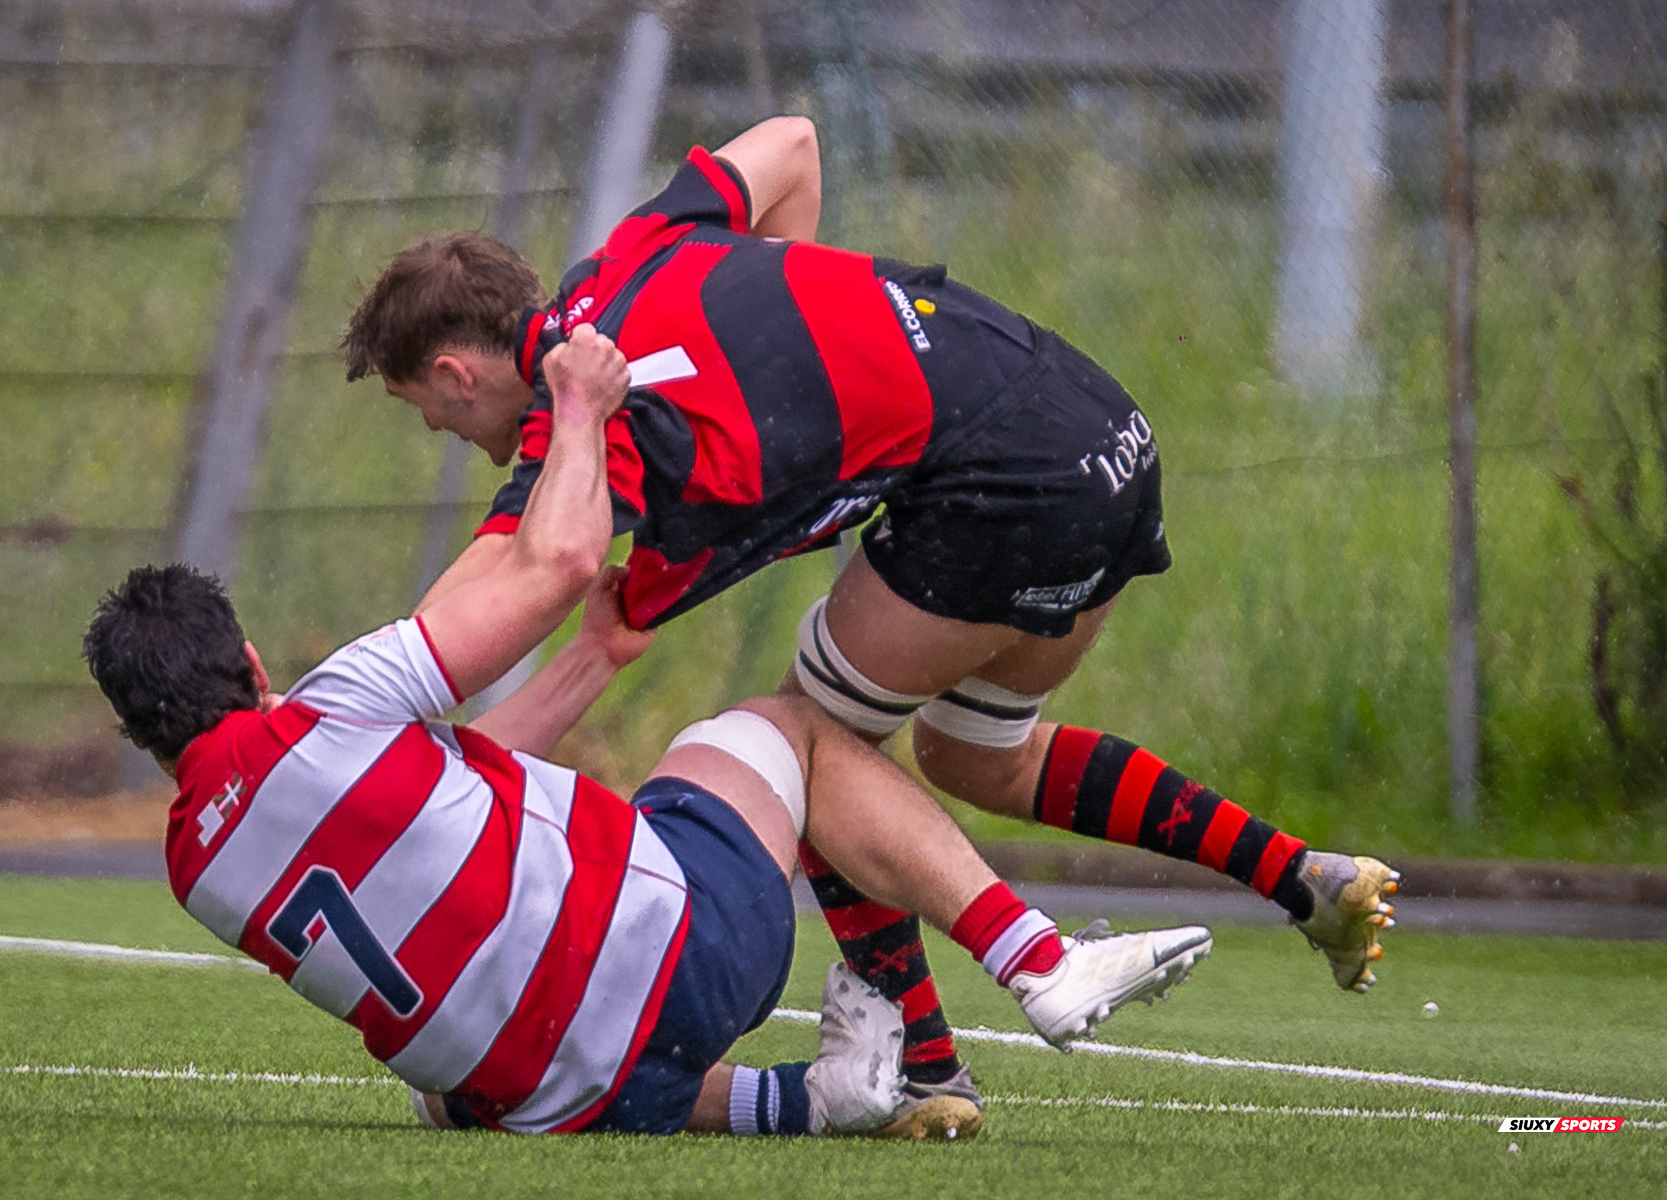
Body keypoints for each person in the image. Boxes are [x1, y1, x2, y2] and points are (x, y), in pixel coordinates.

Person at [339, 117, 1398, 1122]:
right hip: (1100, 428)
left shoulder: (585, 432)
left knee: (806, 747)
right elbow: (793, 145)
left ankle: (939, 1056)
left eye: (419, 407)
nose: (437, 429)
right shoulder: (639, 247)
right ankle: (1303, 877)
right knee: (975, 755)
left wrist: (341, 725)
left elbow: (521, 570)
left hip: (998, 482)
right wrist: (804, 340)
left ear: (454, 373)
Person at [83, 326, 1212, 1141]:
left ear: (142, 737)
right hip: (703, 959)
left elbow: (452, 781)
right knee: (795, 727)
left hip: (564, 1097)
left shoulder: (194, 868)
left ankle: (816, 1101)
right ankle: (1034, 957)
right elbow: (558, 563)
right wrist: (577, 406)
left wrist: (593, 662)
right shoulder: (326, 709)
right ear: (253, 665)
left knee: (452, 1080)